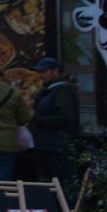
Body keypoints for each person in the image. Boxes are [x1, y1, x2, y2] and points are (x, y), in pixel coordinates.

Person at [30, 57, 81, 189]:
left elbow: (64, 118)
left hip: (58, 149)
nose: (40, 75)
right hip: (48, 147)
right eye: (39, 72)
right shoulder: (49, 91)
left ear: (55, 72)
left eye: (44, 71)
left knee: (64, 188)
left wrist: (36, 119)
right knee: (53, 188)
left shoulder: (61, 91)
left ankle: (68, 210)